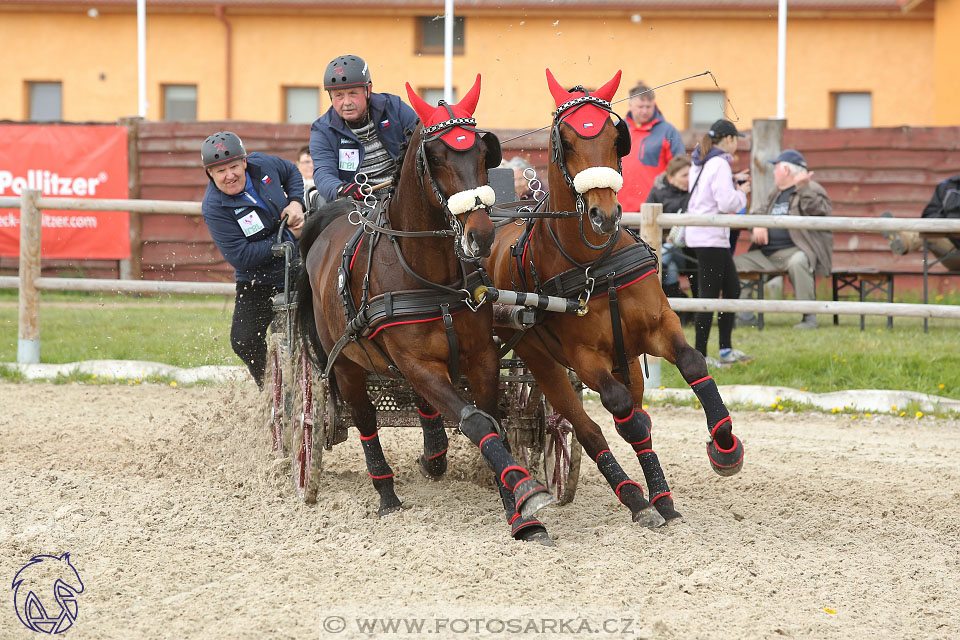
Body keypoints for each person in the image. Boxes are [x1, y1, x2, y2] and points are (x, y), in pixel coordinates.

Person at [200, 131, 305, 388]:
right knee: (243, 340)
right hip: (258, 279)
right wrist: (289, 236)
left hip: (302, 267)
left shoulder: (264, 165)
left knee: (300, 332)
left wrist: (295, 202)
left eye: (234, 166)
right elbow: (242, 256)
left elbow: (292, 171)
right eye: (220, 171)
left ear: (245, 162)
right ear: (209, 174)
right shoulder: (214, 207)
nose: (230, 175)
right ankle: (270, 388)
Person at [734, 149, 833, 330]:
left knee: (799, 261)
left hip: (794, 251)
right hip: (766, 254)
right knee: (734, 263)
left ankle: (808, 317)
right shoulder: (776, 192)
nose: (773, 171)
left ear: (786, 171)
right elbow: (757, 213)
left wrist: (804, 188)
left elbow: (819, 211)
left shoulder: (812, 188)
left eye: (776, 167)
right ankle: (745, 315)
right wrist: (758, 225)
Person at [684, 119, 753, 368]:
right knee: (710, 296)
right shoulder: (720, 163)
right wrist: (741, 193)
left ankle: (724, 349)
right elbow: (726, 203)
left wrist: (733, 181)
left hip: (705, 236)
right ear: (729, 139)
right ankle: (701, 354)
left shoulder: (701, 160)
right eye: (737, 140)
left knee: (731, 289)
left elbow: (708, 193)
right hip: (711, 237)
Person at [309, 54, 419, 203]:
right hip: (355, 203)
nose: (346, 102)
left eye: (353, 94)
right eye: (339, 96)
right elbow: (323, 173)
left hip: (401, 197)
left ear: (368, 89)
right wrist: (341, 189)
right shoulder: (322, 130)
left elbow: (420, 144)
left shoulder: (395, 107)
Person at [617, 81, 686, 215]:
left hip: (653, 210)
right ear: (630, 105)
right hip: (618, 209)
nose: (645, 111)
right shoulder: (618, 129)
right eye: (640, 106)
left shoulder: (668, 131)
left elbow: (680, 168)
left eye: (649, 106)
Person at [883, 175, 960, 270]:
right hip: (952, 249)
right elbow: (929, 215)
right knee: (925, 230)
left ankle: (901, 237)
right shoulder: (947, 186)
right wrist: (943, 224)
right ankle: (902, 241)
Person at [645, 154, 692, 303]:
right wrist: (663, 238)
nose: (689, 178)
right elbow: (647, 223)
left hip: (689, 251)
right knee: (669, 269)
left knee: (664, 258)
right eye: (685, 175)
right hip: (663, 248)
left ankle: (653, 269)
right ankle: (678, 309)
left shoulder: (695, 193)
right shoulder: (657, 192)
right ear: (670, 177)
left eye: (691, 174)